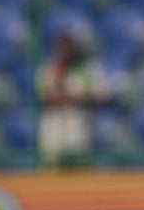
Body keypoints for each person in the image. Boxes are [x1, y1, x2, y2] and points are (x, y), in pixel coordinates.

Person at [36, 31, 110, 166]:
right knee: (51, 169)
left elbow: (102, 96)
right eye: (61, 46)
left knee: (79, 168)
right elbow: (43, 97)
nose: (65, 50)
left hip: (79, 129)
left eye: (68, 46)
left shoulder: (87, 69)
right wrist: (59, 97)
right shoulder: (49, 69)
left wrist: (77, 99)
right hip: (53, 131)